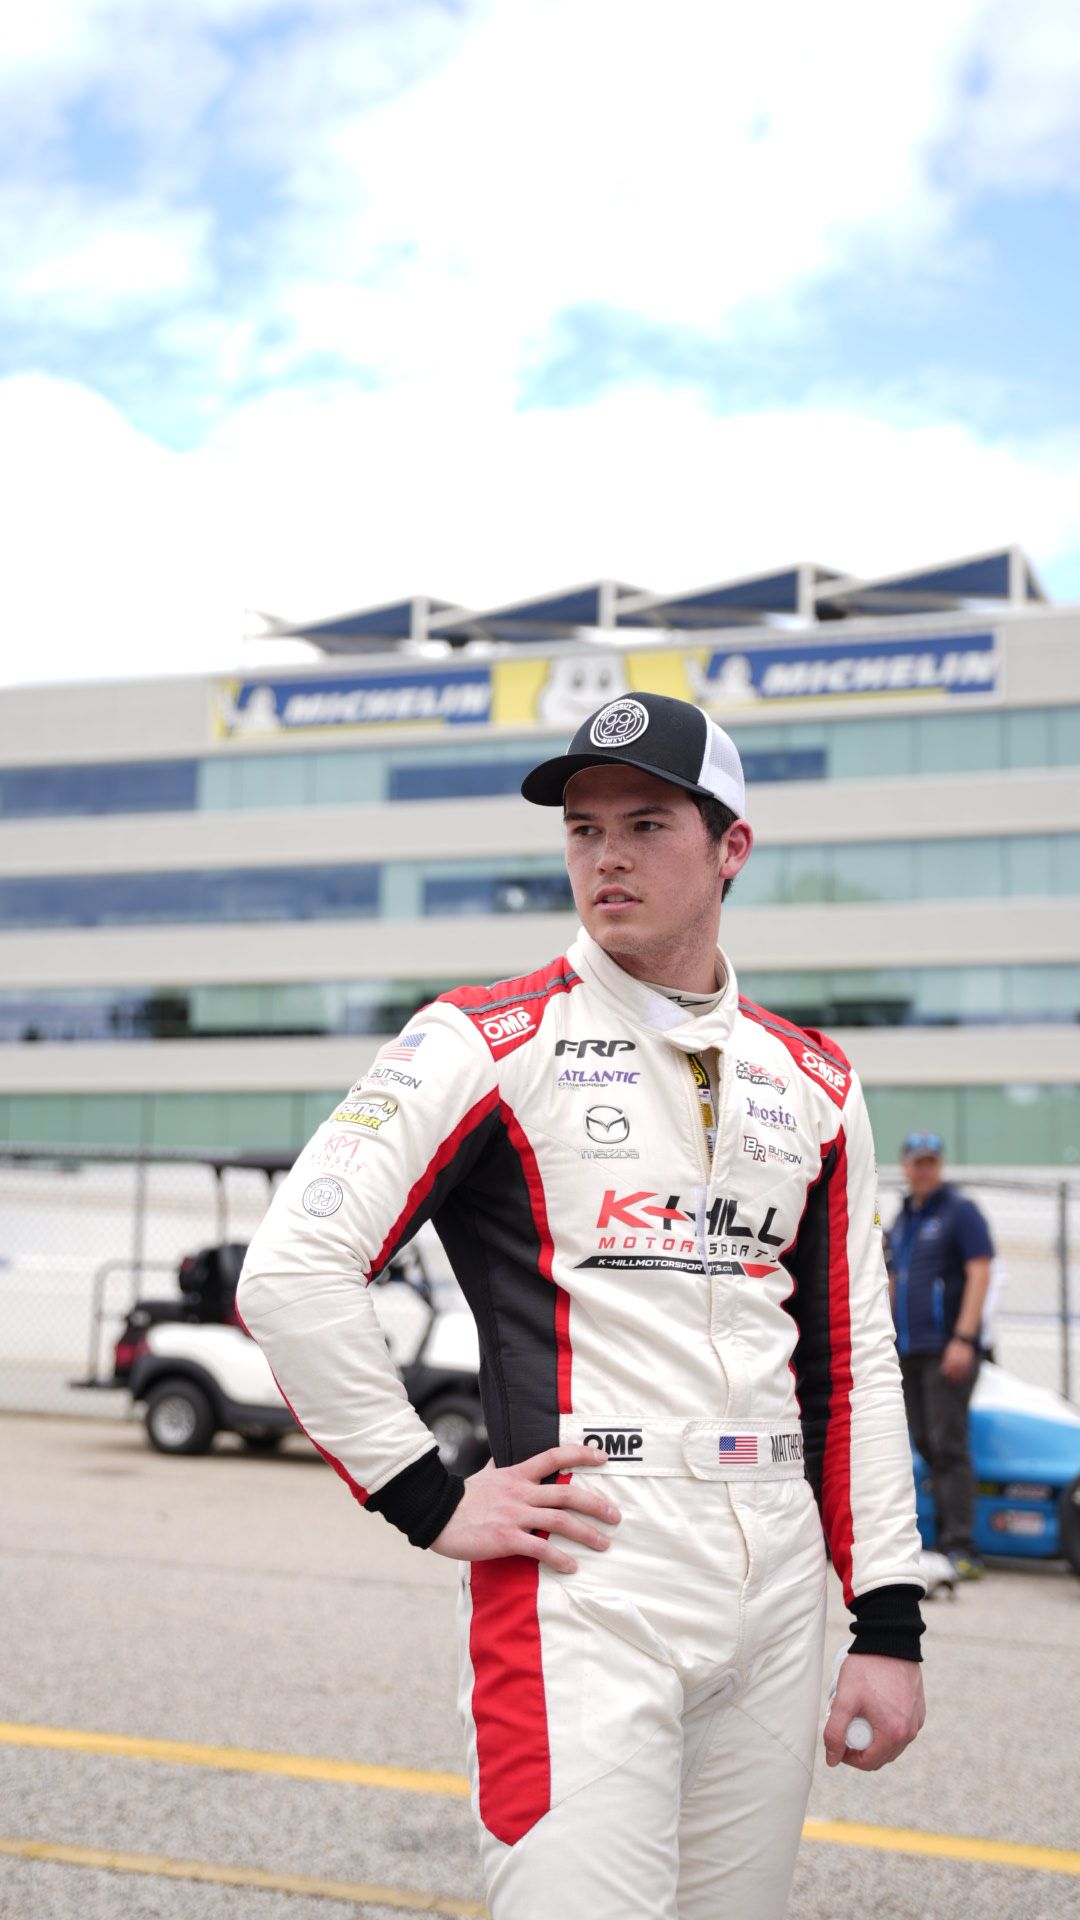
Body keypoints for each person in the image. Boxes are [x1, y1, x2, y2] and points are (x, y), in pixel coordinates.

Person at [238, 691, 926, 1920]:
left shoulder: (816, 1077)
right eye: (582, 829)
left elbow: (854, 1358)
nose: (605, 856)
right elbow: (291, 1272)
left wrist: (888, 1619)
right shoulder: (483, 1040)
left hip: (775, 1586)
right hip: (587, 1565)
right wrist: (426, 1495)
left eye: (646, 824)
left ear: (731, 848)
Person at [886, 1131, 994, 1581]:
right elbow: (892, 1277)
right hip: (908, 1350)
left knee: (948, 1445)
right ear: (906, 1165)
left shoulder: (960, 1211)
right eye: (917, 1162)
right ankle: (940, 1539)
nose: (924, 1169)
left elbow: (980, 1271)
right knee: (926, 1443)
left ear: (940, 1165)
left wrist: (964, 1339)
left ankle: (961, 1548)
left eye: (931, 1161)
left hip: (947, 1349)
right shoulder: (903, 1216)